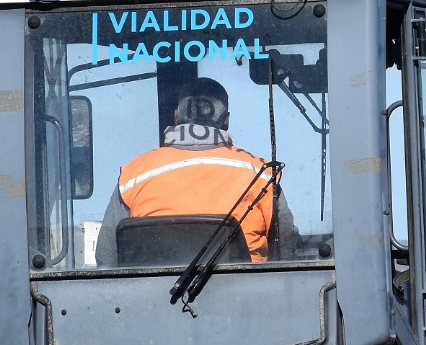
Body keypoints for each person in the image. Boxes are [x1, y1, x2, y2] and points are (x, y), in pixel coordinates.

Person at [95, 77, 298, 266]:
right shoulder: (261, 175)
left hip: (151, 301)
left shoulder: (133, 176)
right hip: (250, 301)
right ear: (226, 120)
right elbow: (286, 252)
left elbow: (107, 258)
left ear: (176, 116)